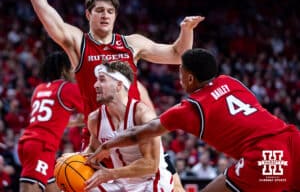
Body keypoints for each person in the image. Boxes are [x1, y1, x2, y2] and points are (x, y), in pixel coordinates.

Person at [26, 0, 203, 190]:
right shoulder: (79, 43)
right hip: (100, 132)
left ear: (115, 16)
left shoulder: (131, 43)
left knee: (174, 186)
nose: (105, 15)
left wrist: (186, 30)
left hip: (136, 130)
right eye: (99, 10)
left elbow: (178, 55)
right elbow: (44, 10)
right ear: (88, 15)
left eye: (110, 11)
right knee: (77, 181)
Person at [86, 48, 300, 192]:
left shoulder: (188, 109)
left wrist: (108, 144)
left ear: (189, 77)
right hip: (292, 139)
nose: (178, 77)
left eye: (180, 71)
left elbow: (139, 132)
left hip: (266, 154)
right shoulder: (231, 81)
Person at [83, 62, 173, 191]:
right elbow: (93, 149)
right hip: (121, 182)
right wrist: (73, 161)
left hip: (151, 181)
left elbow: (151, 165)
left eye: (102, 80)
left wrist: (110, 174)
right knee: (81, 186)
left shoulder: (143, 115)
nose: (95, 85)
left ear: (119, 85)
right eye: (96, 80)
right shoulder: (95, 119)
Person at [18, 51, 84, 192]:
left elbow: (48, 121)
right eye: (71, 67)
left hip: (30, 143)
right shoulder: (68, 88)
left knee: (53, 188)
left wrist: (73, 123)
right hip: (42, 147)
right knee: (29, 188)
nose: (74, 71)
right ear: (63, 69)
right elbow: (93, 111)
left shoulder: (39, 89)